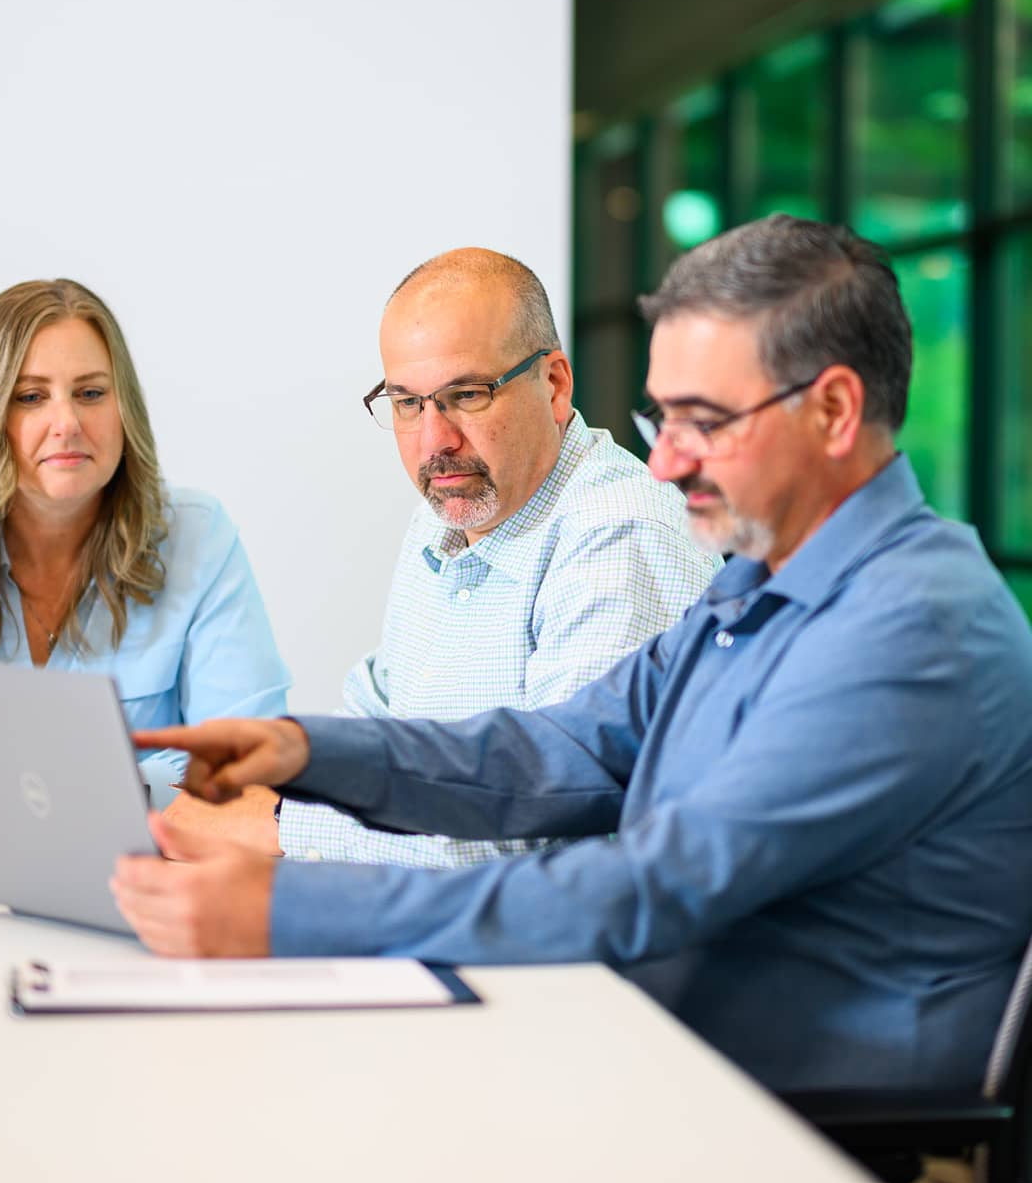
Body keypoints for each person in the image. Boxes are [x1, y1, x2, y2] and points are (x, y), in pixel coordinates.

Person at [112, 216, 1032, 1095]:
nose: (664, 465)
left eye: (702, 421)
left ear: (833, 410)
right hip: (651, 1042)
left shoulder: (914, 628)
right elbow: (566, 749)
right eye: (658, 421)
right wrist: (312, 755)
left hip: (786, 1108)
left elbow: (652, 886)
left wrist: (290, 907)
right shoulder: (761, 581)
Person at [171, 247, 718, 866]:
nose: (435, 441)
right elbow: (380, 717)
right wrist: (260, 788)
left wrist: (281, 826)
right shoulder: (455, 510)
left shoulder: (617, 533)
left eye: (467, 394)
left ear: (555, 385)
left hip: (566, 953)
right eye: (407, 403)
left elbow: (553, 825)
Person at [0, 279, 290, 825]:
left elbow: (252, 769)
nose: (67, 424)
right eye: (31, 397)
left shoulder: (199, 537)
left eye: (91, 393)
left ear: (126, 410)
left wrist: (79, 787)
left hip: (124, 884)